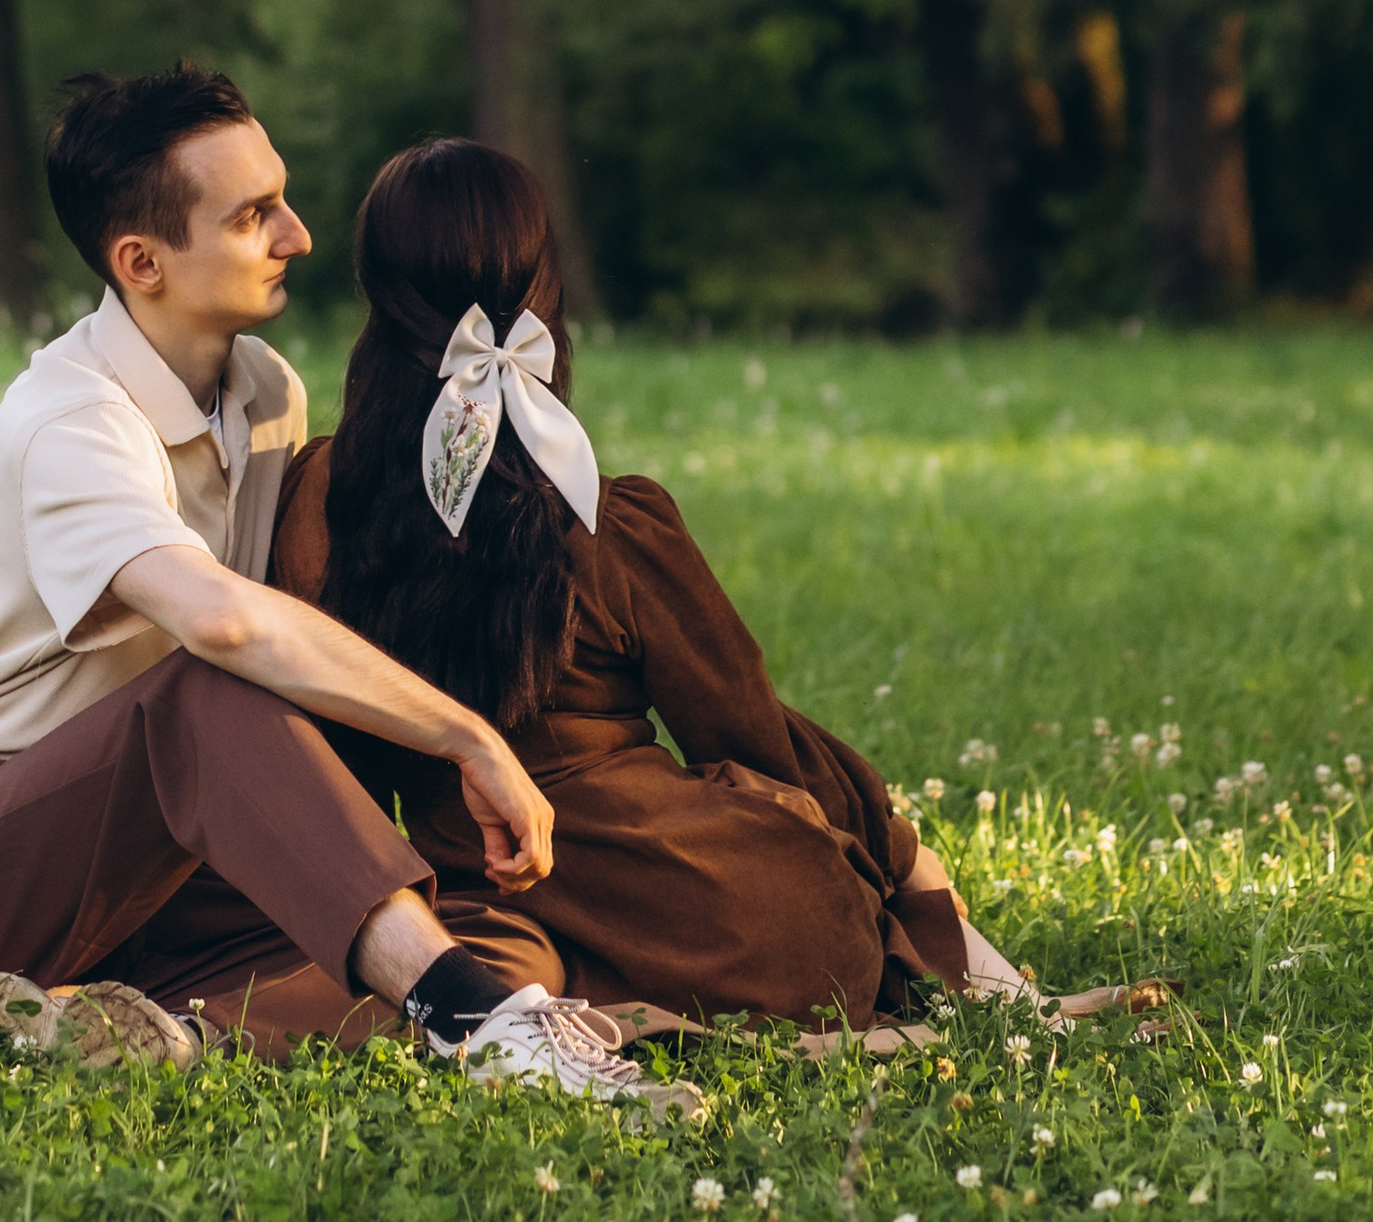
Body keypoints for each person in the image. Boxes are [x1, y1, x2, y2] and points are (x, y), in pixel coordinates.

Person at [0, 63, 696, 1107]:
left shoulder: (266, 395)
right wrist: (465, 735)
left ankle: (173, 1035)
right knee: (209, 685)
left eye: (283, 198)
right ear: (142, 260)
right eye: (255, 215)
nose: (297, 234)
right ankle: (485, 1033)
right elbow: (220, 622)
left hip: (157, 849)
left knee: (484, 930)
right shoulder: (71, 420)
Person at [270, 136, 987, 1032]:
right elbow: (749, 729)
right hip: (687, 900)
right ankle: (977, 970)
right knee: (809, 888)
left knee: (458, 970)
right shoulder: (605, 525)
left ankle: (206, 1027)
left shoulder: (314, 503)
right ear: (544, 289)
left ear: (377, 298)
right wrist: (886, 835)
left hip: (463, 883)